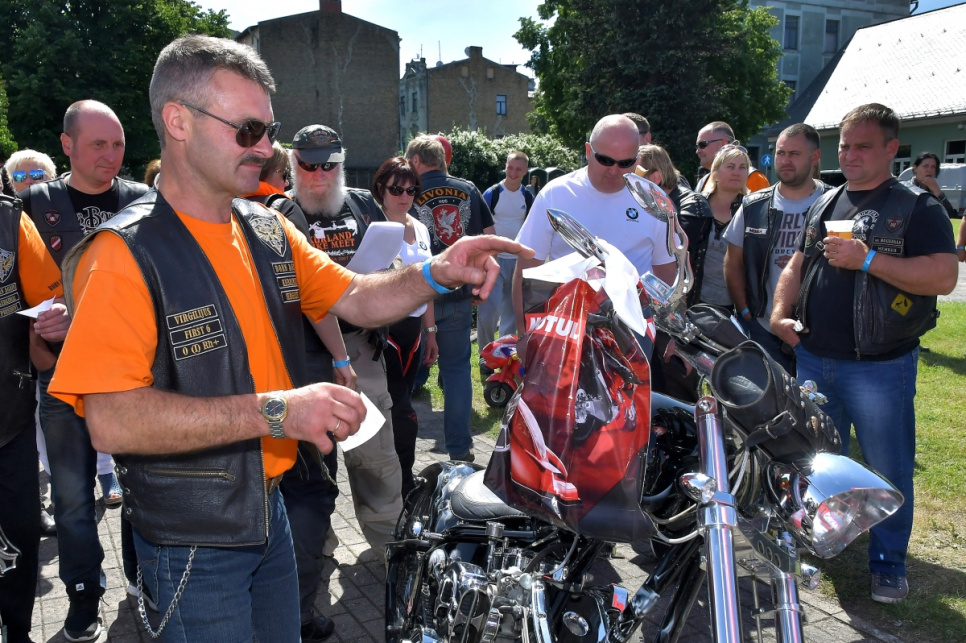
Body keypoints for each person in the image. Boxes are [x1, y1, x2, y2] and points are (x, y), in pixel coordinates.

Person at [48, 35, 530, 641]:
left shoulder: (265, 228)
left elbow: (356, 295)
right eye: (248, 130)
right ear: (178, 122)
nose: (266, 148)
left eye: (269, 131)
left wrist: (437, 271)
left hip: (269, 509)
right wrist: (279, 411)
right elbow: (111, 421)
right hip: (193, 540)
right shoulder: (123, 255)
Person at [771, 103, 958, 604]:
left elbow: (944, 276)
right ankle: (822, 542)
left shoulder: (917, 207)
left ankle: (888, 564)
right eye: (845, 146)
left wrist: (869, 258)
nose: (850, 155)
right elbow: (797, 262)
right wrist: (780, 312)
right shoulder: (826, 200)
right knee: (817, 462)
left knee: (887, 468)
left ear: (892, 149)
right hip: (814, 357)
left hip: (880, 365)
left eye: (864, 146)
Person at [19, 99, 149, 640]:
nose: (111, 155)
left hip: (130, 377)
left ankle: (144, 579)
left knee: (142, 487)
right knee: (73, 500)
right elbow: (17, 291)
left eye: (118, 144)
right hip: (61, 379)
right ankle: (82, 594)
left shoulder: (143, 200)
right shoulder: (32, 205)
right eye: (98, 144)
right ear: (67, 144)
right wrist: (38, 331)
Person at [512, 115, 677, 354]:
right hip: (566, 326)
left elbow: (666, 272)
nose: (614, 170)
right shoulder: (556, 194)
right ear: (589, 151)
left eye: (625, 163)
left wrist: (671, 333)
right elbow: (527, 267)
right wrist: (524, 331)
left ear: (637, 159)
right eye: (605, 160)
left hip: (632, 332)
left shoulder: (653, 202)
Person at [0, 195, 70, 643]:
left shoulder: (9, 220)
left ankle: (17, 630)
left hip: (9, 416)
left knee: (18, 535)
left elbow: (50, 298)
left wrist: (57, 319)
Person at [405, 135, 495, 462]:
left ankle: (401, 453)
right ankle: (460, 449)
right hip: (458, 293)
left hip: (417, 295)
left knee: (403, 371)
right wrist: (479, 282)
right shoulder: (468, 189)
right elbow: (490, 239)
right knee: (456, 371)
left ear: (416, 161)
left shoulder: (406, 191)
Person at [723, 124, 829, 372]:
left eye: (794, 154)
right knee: (769, 396)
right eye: (781, 153)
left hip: (820, 331)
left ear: (814, 157)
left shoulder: (834, 203)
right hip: (763, 329)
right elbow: (732, 262)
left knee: (816, 395)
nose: (785, 160)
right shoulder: (753, 205)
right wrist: (746, 311)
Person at [371, 156, 437, 497]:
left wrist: (431, 331)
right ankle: (401, 481)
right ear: (380, 189)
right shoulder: (374, 226)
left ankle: (401, 477)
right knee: (400, 407)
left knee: (402, 403)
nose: (405, 196)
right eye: (396, 189)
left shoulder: (421, 227)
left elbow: (428, 282)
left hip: (414, 330)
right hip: (384, 329)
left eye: (412, 190)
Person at [635, 144, 711, 400]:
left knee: (673, 392)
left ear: (655, 177)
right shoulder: (653, 204)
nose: (626, 180)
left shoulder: (687, 206)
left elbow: (674, 258)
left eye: (634, 173)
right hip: (657, 309)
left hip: (680, 312)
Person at [478, 151, 533, 347]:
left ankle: (503, 353)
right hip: (493, 259)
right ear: (505, 166)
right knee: (489, 310)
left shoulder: (528, 197)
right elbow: (480, 225)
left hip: (517, 261)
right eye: (510, 167)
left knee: (512, 312)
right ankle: (485, 352)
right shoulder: (492, 194)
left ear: (525, 171)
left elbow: (531, 227)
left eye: (518, 169)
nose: (513, 173)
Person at [692, 144, 749, 311]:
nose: (736, 172)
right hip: (694, 301)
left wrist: (746, 309)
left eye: (742, 167)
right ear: (715, 172)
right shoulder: (696, 205)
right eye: (730, 166)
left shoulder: (754, 210)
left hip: (738, 307)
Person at [694, 121, 768, 193]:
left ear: (724, 143)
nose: (698, 151)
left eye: (702, 144)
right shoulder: (703, 182)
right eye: (697, 146)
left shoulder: (754, 178)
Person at [902, 152, 958, 219]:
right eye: (925, 166)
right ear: (915, 168)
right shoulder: (907, 189)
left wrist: (937, 191)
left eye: (933, 167)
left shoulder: (934, 190)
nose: (929, 170)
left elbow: (949, 214)